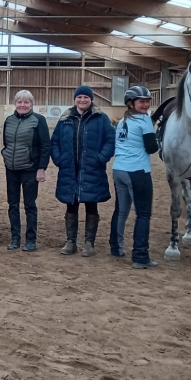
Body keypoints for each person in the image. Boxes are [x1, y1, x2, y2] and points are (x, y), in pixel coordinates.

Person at [50, 84, 116, 257]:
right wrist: (59, 159)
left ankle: (89, 243)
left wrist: (101, 158)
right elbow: (55, 141)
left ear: (91, 99)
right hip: (70, 170)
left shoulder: (101, 118)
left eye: (86, 97)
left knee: (91, 205)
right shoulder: (65, 119)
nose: (82, 100)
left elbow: (110, 140)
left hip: (92, 170)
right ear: (75, 99)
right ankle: (71, 241)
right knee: (71, 206)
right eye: (79, 97)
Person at [109, 86, 160, 269]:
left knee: (121, 211)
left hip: (119, 169)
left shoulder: (122, 121)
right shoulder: (144, 120)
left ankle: (116, 247)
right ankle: (140, 256)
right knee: (143, 214)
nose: (145, 104)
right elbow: (151, 148)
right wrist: (158, 138)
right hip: (137, 171)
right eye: (141, 101)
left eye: (147, 101)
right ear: (131, 103)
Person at [1, 90, 50, 252]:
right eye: (20, 102)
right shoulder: (9, 120)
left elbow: (45, 146)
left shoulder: (39, 120)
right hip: (12, 169)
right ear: (15, 103)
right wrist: (6, 157)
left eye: (26, 102)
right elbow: (6, 143)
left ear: (31, 104)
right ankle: (15, 237)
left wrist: (41, 168)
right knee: (12, 204)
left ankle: (31, 239)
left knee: (30, 205)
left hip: (30, 169)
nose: (23, 105)